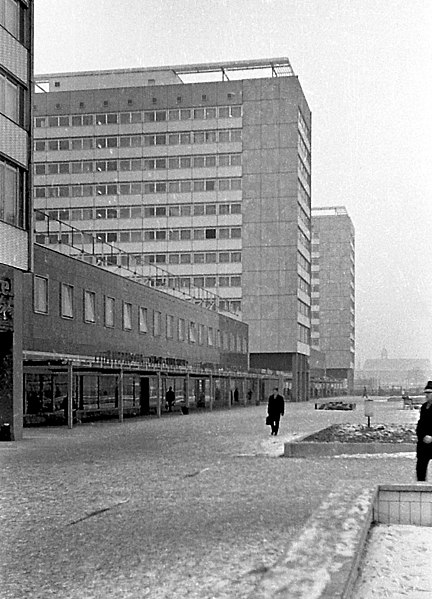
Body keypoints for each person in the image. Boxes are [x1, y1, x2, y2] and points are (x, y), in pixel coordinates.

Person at [416, 381, 432, 481]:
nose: (426, 395)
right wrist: (422, 436)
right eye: (425, 393)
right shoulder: (424, 407)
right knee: (421, 467)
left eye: (429, 393)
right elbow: (420, 424)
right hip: (423, 443)